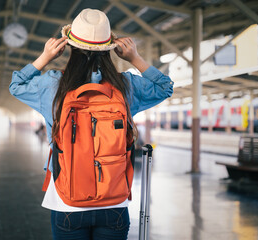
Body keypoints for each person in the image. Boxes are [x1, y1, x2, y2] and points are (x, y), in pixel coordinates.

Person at [10, 8, 173, 240]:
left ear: (71, 47)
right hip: (114, 204)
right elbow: (165, 87)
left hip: (68, 206)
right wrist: (134, 58)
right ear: (109, 49)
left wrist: (45, 57)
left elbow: (16, 85)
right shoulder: (125, 86)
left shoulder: (53, 86)